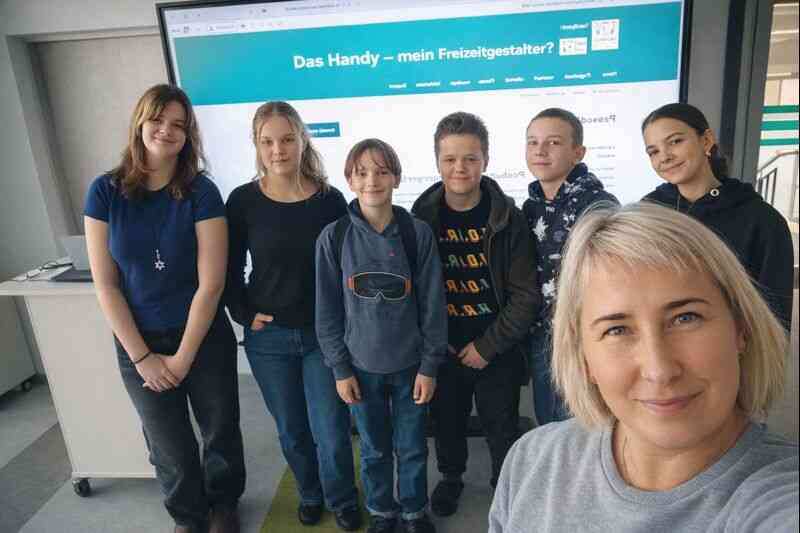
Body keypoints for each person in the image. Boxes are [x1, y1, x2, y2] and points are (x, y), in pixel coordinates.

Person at [489, 202, 799, 533]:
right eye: (617, 330)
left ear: (741, 329)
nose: (659, 370)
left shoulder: (780, 499)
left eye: (686, 318)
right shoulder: (532, 460)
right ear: (584, 358)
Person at [84, 84, 245, 533]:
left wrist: (183, 356)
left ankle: (224, 505)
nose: (167, 130)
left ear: (188, 134)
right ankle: (188, 517)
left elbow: (211, 284)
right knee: (168, 444)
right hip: (138, 340)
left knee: (219, 430)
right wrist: (142, 358)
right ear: (140, 122)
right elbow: (106, 285)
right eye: (158, 120)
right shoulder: (104, 192)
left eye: (179, 124)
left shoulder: (201, 192)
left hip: (201, 335)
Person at [225, 101, 360, 531]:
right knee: (292, 430)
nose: (277, 150)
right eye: (267, 141)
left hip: (323, 338)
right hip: (269, 340)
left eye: (286, 139)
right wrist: (243, 313)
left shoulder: (329, 200)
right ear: (256, 145)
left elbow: (348, 268)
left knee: (332, 430)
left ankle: (342, 497)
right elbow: (228, 268)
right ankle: (310, 493)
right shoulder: (242, 201)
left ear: (303, 141)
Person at [316, 138, 447, 533]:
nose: (372, 180)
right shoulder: (334, 237)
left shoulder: (416, 233)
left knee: (412, 446)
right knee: (373, 449)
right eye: (362, 173)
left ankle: (413, 511)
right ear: (350, 180)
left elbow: (433, 304)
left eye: (382, 171)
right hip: (360, 368)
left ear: (396, 178)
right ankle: (381, 512)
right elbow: (327, 311)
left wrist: (429, 366)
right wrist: (340, 369)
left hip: (411, 367)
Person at [411, 111, 539, 516]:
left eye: (470, 158)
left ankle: (504, 487)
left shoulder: (507, 218)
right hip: (443, 347)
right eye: (450, 159)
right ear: (437, 161)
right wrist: (432, 343)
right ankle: (451, 478)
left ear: (486, 159)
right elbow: (414, 290)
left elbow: (526, 295)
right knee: (446, 422)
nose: (460, 168)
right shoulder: (420, 217)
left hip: (495, 348)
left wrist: (487, 346)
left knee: (501, 426)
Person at [641, 102, 793, 330]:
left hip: (731, 346)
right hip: (662, 341)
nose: (665, 157)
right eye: (653, 151)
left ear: (706, 140)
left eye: (675, 141)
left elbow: (776, 317)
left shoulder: (762, 220)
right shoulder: (648, 213)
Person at [522, 108, 619, 426]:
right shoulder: (531, 207)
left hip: (583, 339)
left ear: (578, 153)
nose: (540, 150)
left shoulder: (598, 205)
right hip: (543, 338)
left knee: (587, 427)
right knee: (550, 428)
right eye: (533, 142)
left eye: (553, 142)